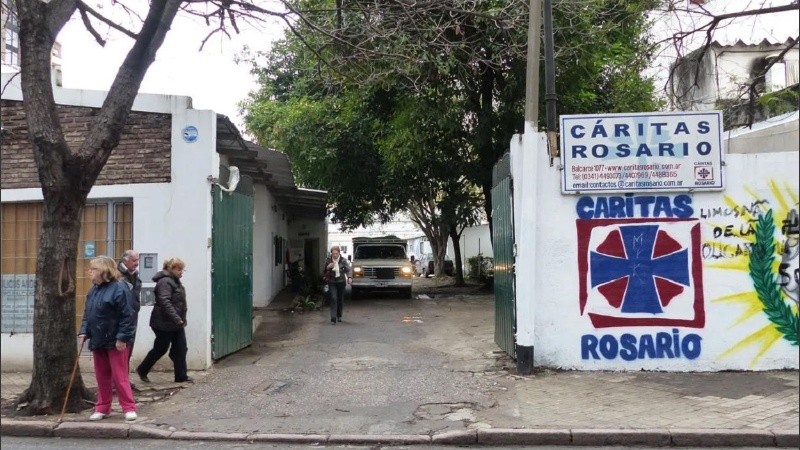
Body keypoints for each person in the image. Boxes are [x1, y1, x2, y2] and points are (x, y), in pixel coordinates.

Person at [78, 256, 138, 422]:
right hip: (98, 339)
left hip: (115, 340)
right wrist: (84, 331)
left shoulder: (120, 288)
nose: (90, 272)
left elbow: (128, 316)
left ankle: (129, 407)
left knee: (120, 376)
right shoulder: (93, 290)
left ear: (104, 270)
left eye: (94, 269)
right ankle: (102, 407)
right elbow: (87, 314)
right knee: (101, 376)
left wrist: (122, 338)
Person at [136, 257, 192, 383]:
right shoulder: (165, 282)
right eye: (179, 269)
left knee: (181, 348)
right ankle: (142, 369)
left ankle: (181, 376)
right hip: (163, 322)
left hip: (175, 323)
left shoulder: (174, 281)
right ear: (170, 268)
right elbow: (165, 301)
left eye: (182, 269)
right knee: (161, 348)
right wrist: (177, 318)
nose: (181, 272)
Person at [117, 250, 141, 366]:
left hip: (133, 316)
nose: (136, 263)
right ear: (125, 261)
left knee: (129, 347)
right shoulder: (117, 275)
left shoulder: (135, 274)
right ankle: (119, 380)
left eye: (137, 260)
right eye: (133, 260)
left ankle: (124, 378)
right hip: (122, 316)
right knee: (121, 349)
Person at [324, 245, 351, 325]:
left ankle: (339, 315)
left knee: (340, 299)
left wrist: (349, 277)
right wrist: (328, 267)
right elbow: (324, 270)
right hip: (332, 281)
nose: (335, 255)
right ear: (331, 253)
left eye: (336, 253)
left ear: (339, 253)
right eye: (333, 254)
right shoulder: (328, 261)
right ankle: (333, 317)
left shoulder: (343, 261)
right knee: (333, 298)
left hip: (341, 281)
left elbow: (348, 270)